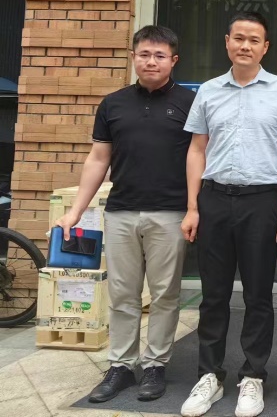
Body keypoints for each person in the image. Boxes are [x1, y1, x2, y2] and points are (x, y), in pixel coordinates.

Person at [54, 25, 195, 403]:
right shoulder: (113, 104)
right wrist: (75, 212)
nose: (151, 61)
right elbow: (98, 159)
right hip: (120, 212)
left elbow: (200, 158)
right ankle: (121, 365)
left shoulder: (190, 103)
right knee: (122, 294)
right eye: (144, 54)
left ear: (173, 60)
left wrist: (194, 209)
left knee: (165, 294)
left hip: (170, 213)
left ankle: (155, 365)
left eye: (160, 55)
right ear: (133, 57)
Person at [179, 12, 277, 417]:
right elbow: (197, 149)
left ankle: (253, 376)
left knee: (258, 294)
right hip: (214, 200)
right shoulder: (208, 91)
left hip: (261, 202)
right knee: (213, 294)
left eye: (254, 40)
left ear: (265, 47)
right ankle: (209, 376)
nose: (245, 45)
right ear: (227, 42)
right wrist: (193, 205)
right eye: (239, 38)